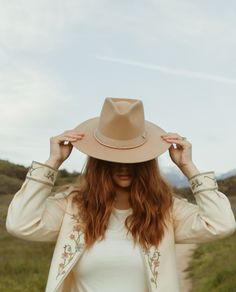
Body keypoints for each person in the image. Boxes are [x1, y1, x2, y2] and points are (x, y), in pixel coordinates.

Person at [6, 97, 236, 292]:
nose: (123, 166)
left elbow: (220, 224)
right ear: (99, 162)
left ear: (145, 162)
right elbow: (20, 223)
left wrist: (188, 167)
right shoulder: (73, 206)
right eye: (113, 158)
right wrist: (52, 162)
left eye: (133, 158)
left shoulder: (165, 209)